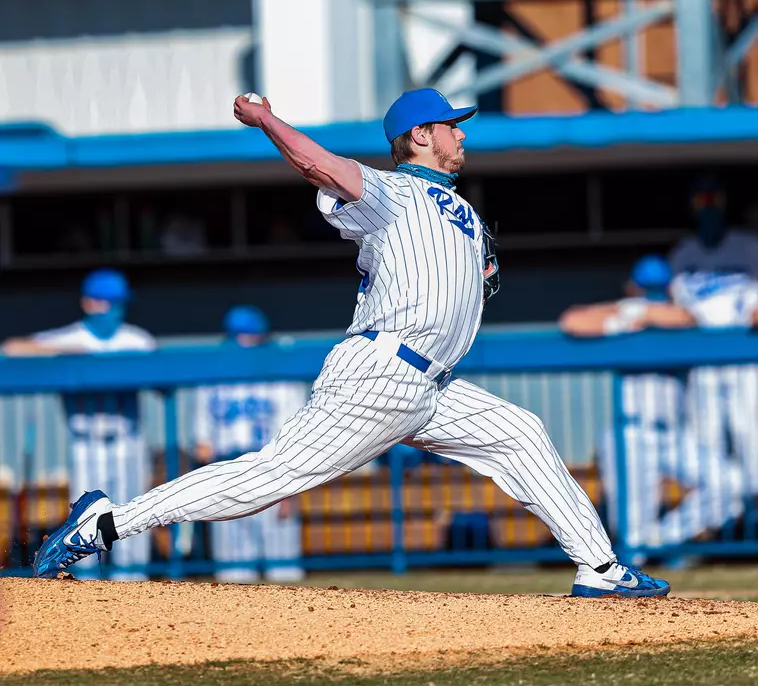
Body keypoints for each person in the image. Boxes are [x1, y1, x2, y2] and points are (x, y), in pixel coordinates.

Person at [34, 88, 670, 597]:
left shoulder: (462, 210)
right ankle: (106, 523)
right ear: (420, 136)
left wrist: (479, 270)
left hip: (431, 384)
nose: (462, 133)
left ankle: (601, 567)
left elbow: (461, 277)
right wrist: (266, 120)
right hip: (381, 374)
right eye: (452, 125)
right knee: (273, 476)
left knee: (520, 432)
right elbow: (319, 166)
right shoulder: (390, 194)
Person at [560, 257, 742, 556]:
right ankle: (641, 560)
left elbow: (686, 318)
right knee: (631, 537)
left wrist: (643, 313)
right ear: (633, 288)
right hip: (628, 433)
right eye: (646, 289)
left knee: (730, 483)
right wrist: (625, 315)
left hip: (672, 435)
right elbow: (572, 321)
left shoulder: (679, 317)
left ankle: (660, 539)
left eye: (657, 289)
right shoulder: (625, 316)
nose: (651, 294)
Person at [3, 269, 156, 580]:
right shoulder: (72, 336)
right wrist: (67, 352)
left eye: (117, 303)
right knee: (84, 522)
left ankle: (137, 589)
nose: (112, 309)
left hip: (127, 441)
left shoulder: (136, 339)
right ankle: (82, 591)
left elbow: (164, 375)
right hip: (86, 442)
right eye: (105, 302)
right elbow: (11, 348)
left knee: (134, 520)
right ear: (87, 303)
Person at [194, 306, 307, 583]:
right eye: (240, 336)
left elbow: (295, 436)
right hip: (227, 470)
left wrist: (289, 488)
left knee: (284, 570)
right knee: (233, 573)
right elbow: (201, 443)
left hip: (271, 469)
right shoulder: (212, 378)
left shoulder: (281, 378)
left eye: (252, 337)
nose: (246, 342)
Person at [669, 174, 758, 278]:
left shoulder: (750, 247)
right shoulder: (682, 253)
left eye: (715, 199)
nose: (709, 206)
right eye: (702, 200)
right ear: (692, 206)